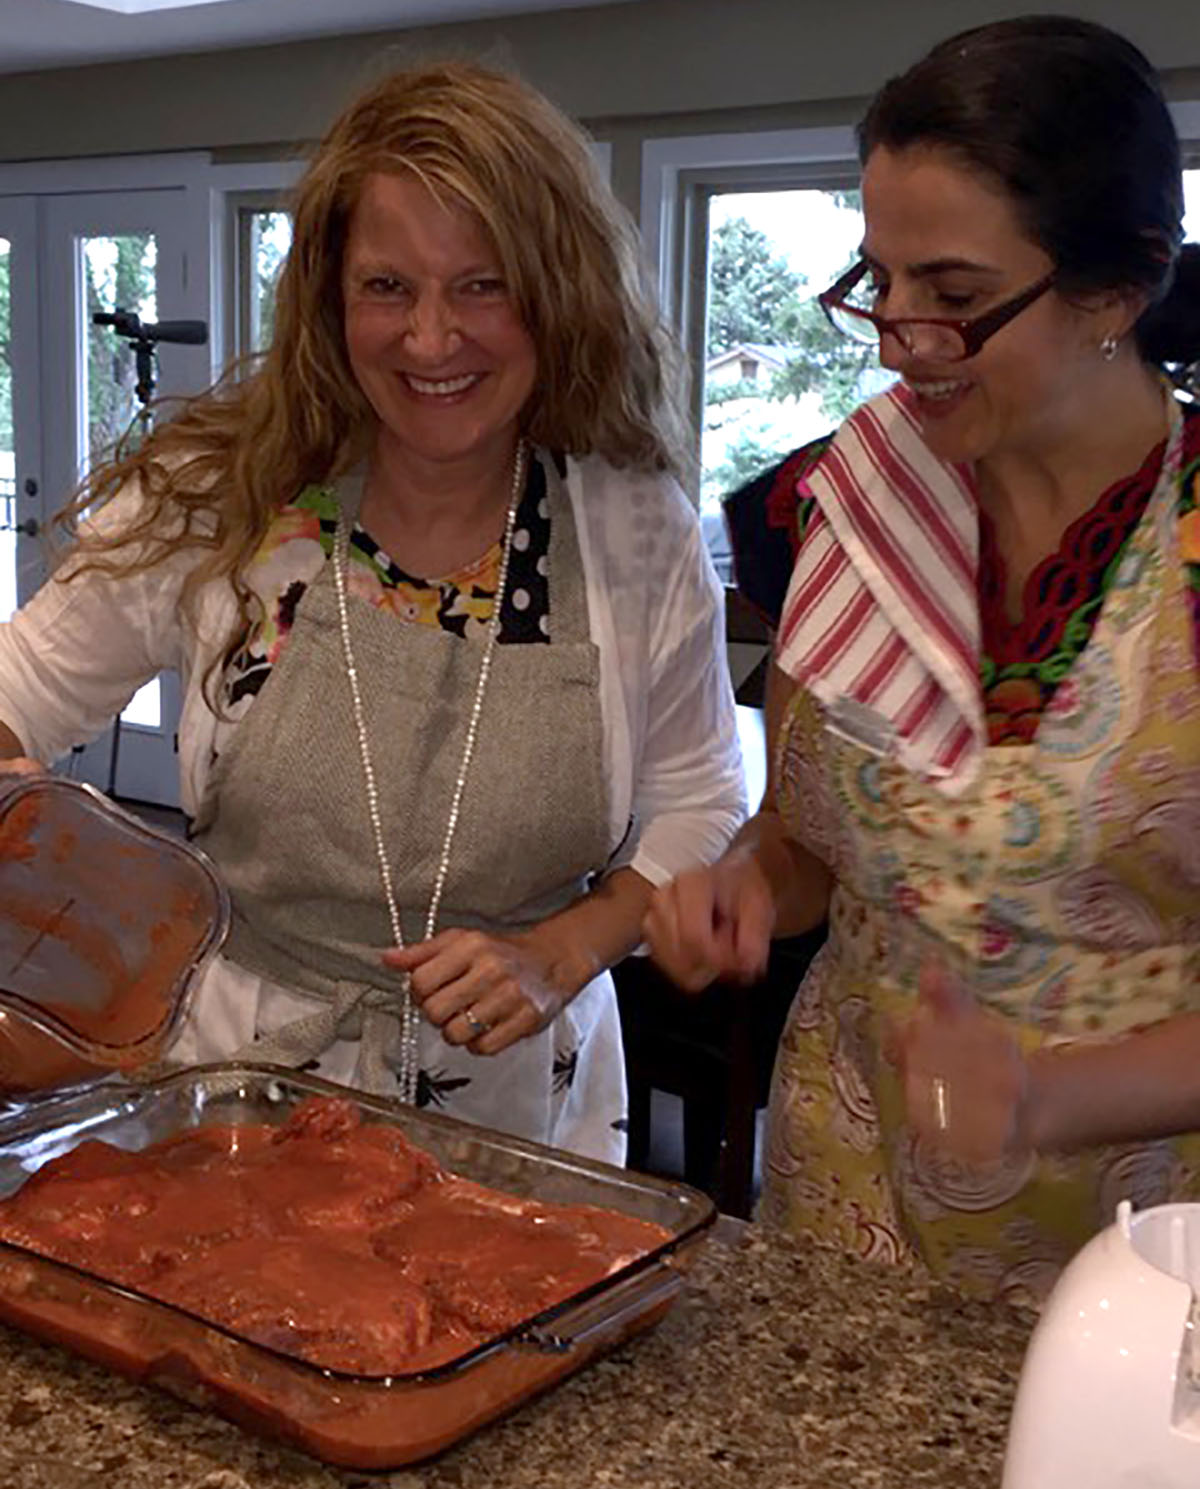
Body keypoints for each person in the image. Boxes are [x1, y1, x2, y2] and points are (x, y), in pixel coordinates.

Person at [0, 61, 745, 1164]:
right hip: (236, 1083)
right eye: (388, 287)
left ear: (558, 292)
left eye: (483, 285)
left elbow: (697, 796)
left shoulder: (633, 530)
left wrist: (563, 949)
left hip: (521, 1101)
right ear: (330, 297)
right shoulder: (226, 504)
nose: (431, 339)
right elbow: (18, 703)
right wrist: (63, 872)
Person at [646, 15, 1200, 1301]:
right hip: (849, 1205)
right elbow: (799, 844)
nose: (899, 338)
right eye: (878, 282)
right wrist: (743, 890)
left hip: (1139, 1244)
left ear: (1116, 293)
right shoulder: (844, 506)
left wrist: (1045, 1091)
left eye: (953, 298)